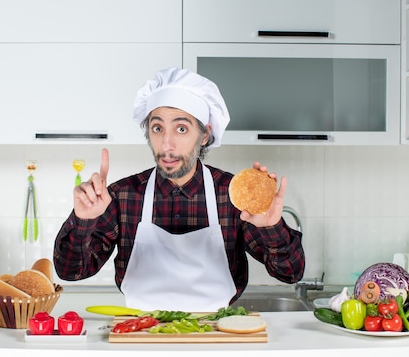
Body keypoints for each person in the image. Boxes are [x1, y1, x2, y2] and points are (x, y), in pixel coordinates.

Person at [53, 67, 304, 311]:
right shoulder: (121, 196)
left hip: (216, 336)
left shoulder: (232, 195)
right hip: (141, 334)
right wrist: (84, 221)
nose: (166, 144)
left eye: (181, 129)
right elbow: (71, 272)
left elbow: (291, 273)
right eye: (157, 128)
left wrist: (271, 227)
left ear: (205, 134)